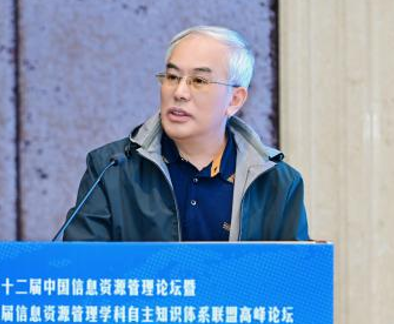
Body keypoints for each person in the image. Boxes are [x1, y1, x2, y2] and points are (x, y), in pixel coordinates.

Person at [61, 26, 308, 242]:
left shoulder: (277, 183)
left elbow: (294, 276)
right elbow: (81, 268)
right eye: (172, 77)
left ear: (234, 100)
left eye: (199, 81)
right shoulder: (112, 168)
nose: (179, 92)